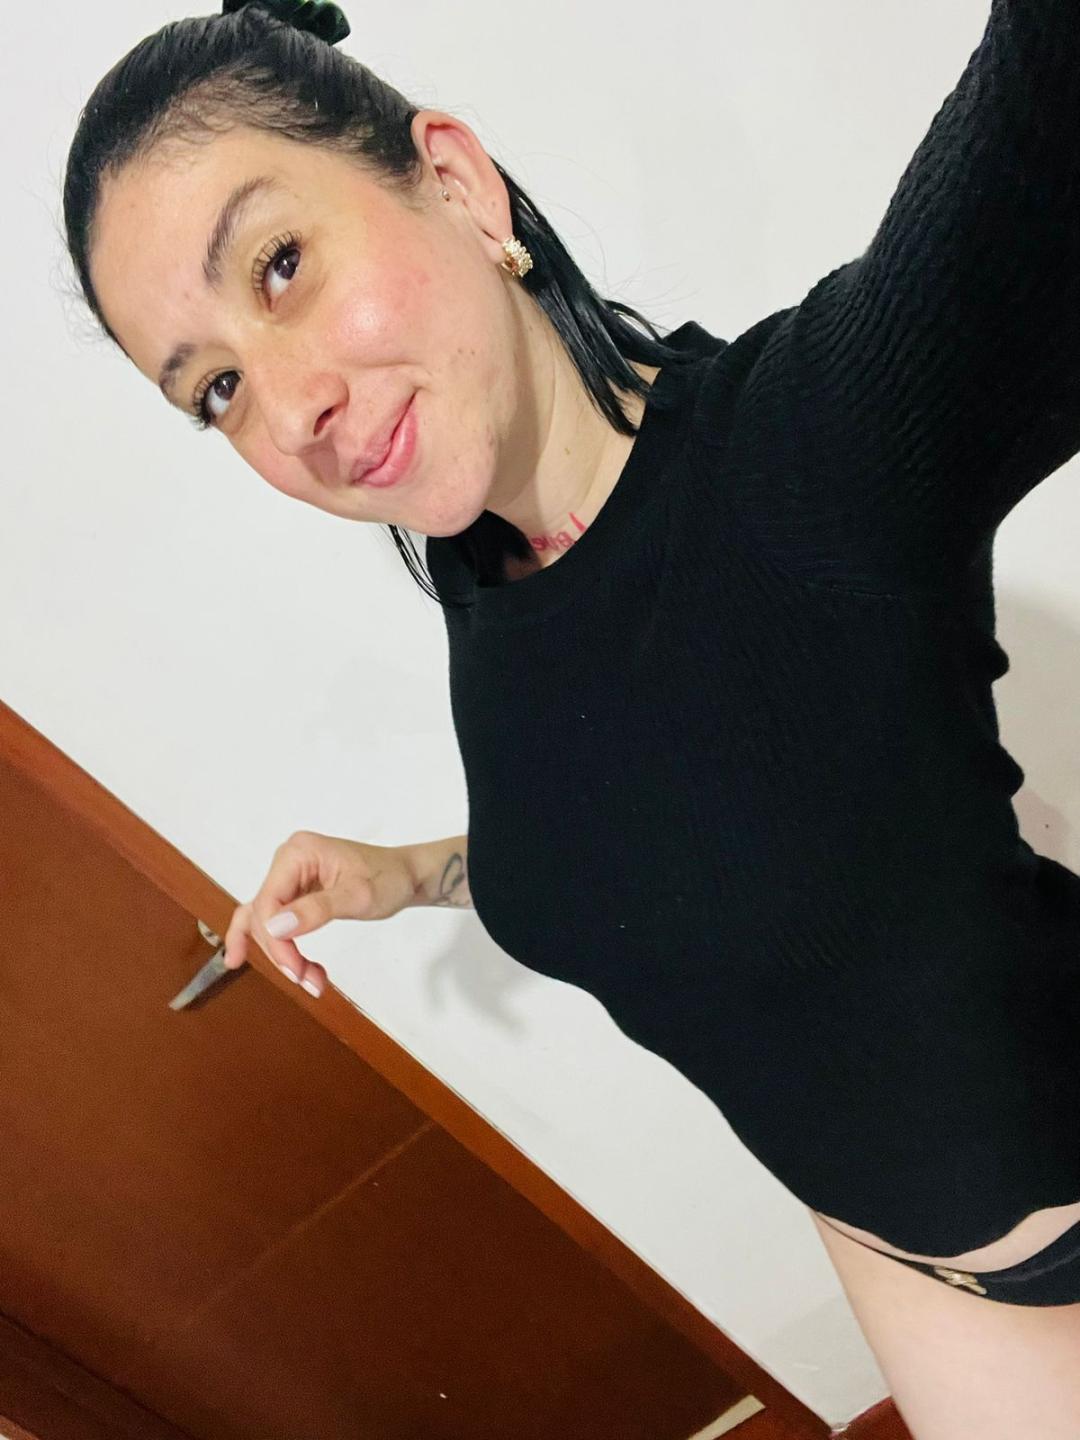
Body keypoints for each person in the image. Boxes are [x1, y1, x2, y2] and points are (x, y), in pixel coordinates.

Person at [62, 1, 1080, 1433]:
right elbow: (653, 820)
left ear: (458, 185)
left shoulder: (818, 455)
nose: (286, 411)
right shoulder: (487, 568)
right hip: (899, 1269)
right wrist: (412, 874)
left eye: (280, 264)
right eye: (216, 387)